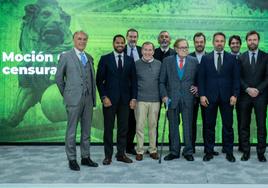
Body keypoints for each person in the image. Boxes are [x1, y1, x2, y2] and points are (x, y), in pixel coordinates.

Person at [55, 31, 98, 171]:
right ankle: (72, 159)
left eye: (85, 39)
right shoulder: (65, 56)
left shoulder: (89, 57)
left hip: (88, 99)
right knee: (72, 130)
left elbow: (91, 80)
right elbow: (59, 79)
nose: (82, 41)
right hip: (73, 99)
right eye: (79, 39)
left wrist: (92, 98)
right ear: (73, 40)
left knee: (86, 130)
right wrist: (67, 94)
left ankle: (85, 157)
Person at [198, 32, 240, 162]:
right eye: (217, 41)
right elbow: (201, 79)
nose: (219, 43)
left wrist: (235, 95)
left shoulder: (232, 59)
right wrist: (202, 95)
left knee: (228, 126)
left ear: (224, 42)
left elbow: (236, 79)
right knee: (209, 126)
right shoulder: (206, 58)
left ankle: (229, 152)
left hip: (228, 98)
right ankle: (209, 151)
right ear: (213, 42)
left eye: (222, 41)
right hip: (209, 98)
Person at [96, 34, 137, 165]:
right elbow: (99, 81)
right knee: (108, 128)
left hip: (125, 101)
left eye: (122, 43)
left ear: (124, 44)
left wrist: (133, 98)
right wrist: (104, 97)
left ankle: (121, 154)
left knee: (123, 129)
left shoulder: (130, 60)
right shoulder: (105, 59)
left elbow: (134, 81)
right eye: (117, 43)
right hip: (109, 100)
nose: (120, 45)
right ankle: (108, 156)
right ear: (113, 44)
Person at [159, 38, 198, 161]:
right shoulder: (167, 61)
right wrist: (164, 96)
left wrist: (197, 88)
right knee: (173, 126)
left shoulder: (194, 61)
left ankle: (188, 151)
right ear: (176, 49)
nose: (185, 50)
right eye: (182, 48)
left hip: (188, 99)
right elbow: (161, 81)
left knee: (188, 126)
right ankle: (174, 151)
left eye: (186, 47)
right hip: (171, 99)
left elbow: (199, 79)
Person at [239, 30, 268, 162]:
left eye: (254, 39)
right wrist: (247, 89)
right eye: (250, 40)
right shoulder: (241, 57)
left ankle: (261, 153)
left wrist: (258, 89)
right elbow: (238, 77)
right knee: (244, 125)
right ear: (247, 42)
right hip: (245, 97)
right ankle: (246, 152)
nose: (252, 42)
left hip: (261, 96)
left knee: (261, 125)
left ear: (258, 41)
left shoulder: (266, 56)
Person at [189, 32, 218, 155]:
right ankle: (191, 148)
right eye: (197, 42)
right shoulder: (188, 57)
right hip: (190, 95)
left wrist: (200, 89)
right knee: (191, 123)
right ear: (194, 43)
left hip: (207, 95)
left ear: (205, 43)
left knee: (208, 123)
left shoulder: (211, 57)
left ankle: (209, 148)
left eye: (201, 42)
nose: (199, 44)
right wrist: (193, 88)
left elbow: (212, 78)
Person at [134, 42, 161, 161]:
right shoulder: (136, 64)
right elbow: (133, 83)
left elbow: (162, 82)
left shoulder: (159, 64)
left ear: (153, 51)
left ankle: (152, 149)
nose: (147, 52)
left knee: (153, 126)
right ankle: (139, 150)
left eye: (150, 50)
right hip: (140, 100)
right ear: (142, 51)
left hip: (155, 100)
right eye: (145, 50)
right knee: (139, 126)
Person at [124, 28, 142, 155]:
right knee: (125, 120)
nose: (133, 39)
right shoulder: (121, 49)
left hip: (140, 91)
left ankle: (130, 146)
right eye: (130, 36)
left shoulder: (143, 51)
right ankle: (123, 146)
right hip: (124, 92)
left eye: (135, 37)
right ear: (127, 37)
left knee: (135, 121)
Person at [228, 35, 243, 153]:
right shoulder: (226, 58)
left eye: (237, 43)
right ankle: (227, 146)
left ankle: (242, 145)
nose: (235, 45)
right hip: (228, 95)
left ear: (240, 45)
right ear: (229, 45)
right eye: (233, 43)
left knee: (242, 121)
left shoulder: (244, 57)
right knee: (228, 122)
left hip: (244, 95)